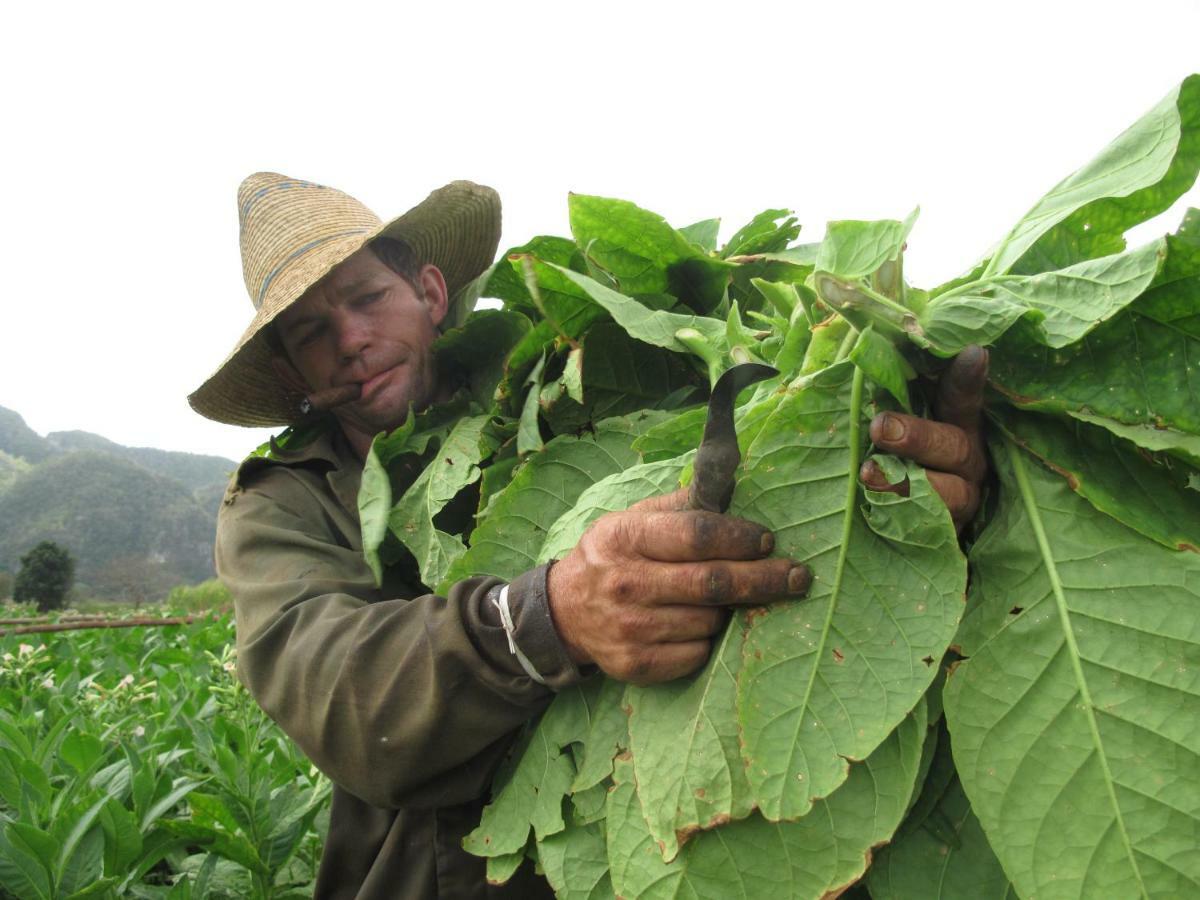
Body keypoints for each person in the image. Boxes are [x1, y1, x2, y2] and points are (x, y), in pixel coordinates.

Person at [189, 173, 988, 899]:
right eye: (308, 332)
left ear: (429, 291)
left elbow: (751, 539)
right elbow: (342, 694)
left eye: (365, 298)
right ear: (293, 371)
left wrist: (894, 504)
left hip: (694, 834)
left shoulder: (566, 380)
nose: (350, 341)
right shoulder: (280, 506)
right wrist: (550, 615)